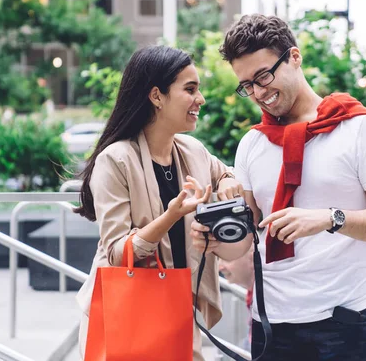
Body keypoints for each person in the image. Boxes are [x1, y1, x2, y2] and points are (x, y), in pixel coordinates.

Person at [194, 14, 366, 361]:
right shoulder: (252, 144)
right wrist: (214, 241)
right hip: (272, 327)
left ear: (294, 57)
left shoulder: (358, 129)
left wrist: (330, 218)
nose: (259, 92)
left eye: (264, 76)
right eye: (247, 84)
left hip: (346, 323)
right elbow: (248, 243)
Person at [74, 45, 252, 361]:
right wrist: (171, 216)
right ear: (157, 96)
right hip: (125, 317)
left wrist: (227, 183)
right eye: (190, 89)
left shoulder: (192, 151)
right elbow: (117, 253)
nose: (201, 100)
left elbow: (222, 172)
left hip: (177, 311)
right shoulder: (115, 160)